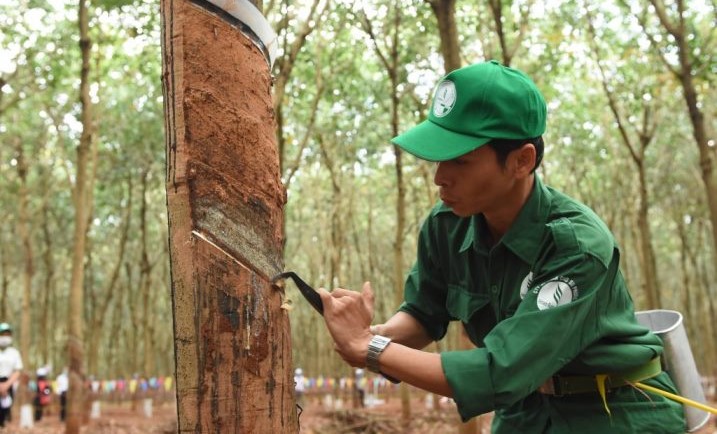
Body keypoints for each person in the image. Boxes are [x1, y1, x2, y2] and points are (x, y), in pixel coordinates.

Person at [317, 60, 687, 433]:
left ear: (521, 161)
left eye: (460, 160)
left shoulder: (576, 245)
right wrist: (376, 333)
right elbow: (425, 312)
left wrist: (370, 350)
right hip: (522, 413)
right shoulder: (445, 226)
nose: (439, 178)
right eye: (438, 159)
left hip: (613, 412)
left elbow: (501, 370)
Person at [0, 322, 23, 428]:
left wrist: (6, 385)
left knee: (4, 412)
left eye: (7, 335)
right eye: (2, 334)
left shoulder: (14, 353)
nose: (4, 337)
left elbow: (18, 370)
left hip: (9, 384)